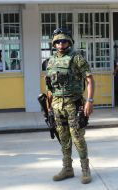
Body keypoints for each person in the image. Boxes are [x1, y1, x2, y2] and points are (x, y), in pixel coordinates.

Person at [45, 28, 94, 184]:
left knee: (78, 137)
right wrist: (49, 106)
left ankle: (85, 169)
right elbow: (49, 86)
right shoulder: (51, 61)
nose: (61, 44)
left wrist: (89, 101)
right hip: (57, 104)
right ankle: (67, 168)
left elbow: (90, 80)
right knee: (63, 138)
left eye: (64, 41)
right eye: (58, 41)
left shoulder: (77, 58)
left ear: (69, 42)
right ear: (54, 43)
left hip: (74, 103)